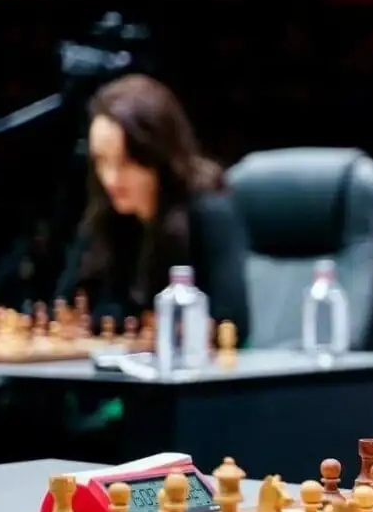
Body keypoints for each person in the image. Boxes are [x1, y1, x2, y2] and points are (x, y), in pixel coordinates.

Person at [55, 73, 251, 342]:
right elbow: (65, 309)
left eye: (126, 162)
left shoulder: (210, 212)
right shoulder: (106, 214)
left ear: (157, 156)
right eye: (102, 161)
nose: (111, 178)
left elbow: (232, 323)